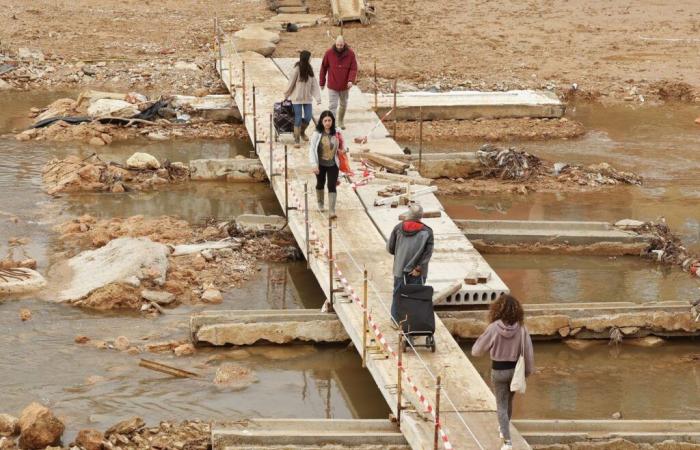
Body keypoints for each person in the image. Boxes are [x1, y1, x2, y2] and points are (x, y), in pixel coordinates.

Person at [471, 294, 535, 450]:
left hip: (498, 371)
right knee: (508, 402)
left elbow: (476, 351)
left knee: (500, 405)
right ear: (517, 311)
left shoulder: (493, 328)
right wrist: (527, 372)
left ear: (497, 309)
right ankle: (503, 427)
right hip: (515, 371)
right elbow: (528, 352)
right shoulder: (522, 329)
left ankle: (507, 442)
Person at [386, 204, 434, 323]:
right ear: (420, 216)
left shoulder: (398, 228)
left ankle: (395, 321)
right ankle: (413, 323)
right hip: (418, 273)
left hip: (399, 269)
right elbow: (427, 254)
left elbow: (390, 248)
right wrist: (418, 268)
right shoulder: (427, 232)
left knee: (397, 294)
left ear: (409, 214)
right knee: (416, 297)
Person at [308, 110, 345, 219]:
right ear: (321, 122)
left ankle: (332, 211)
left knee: (331, 185)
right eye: (325, 121)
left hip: (333, 164)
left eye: (329, 120)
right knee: (320, 183)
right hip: (320, 164)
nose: (328, 123)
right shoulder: (317, 133)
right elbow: (312, 149)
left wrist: (343, 150)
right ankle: (320, 203)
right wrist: (314, 164)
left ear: (332, 121)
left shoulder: (337, 132)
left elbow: (343, 144)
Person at [319, 35, 358, 130]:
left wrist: (350, 80)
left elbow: (353, 68)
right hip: (332, 84)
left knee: (343, 104)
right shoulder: (329, 53)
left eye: (341, 45)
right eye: (337, 45)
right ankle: (332, 124)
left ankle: (340, 121)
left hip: (345, 85)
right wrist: (322, 82)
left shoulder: (351, 54)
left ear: (344, 44)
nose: (339, 47)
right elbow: (323, 68)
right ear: (335, 43)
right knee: (333, 105)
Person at [284, 50, 322, 148]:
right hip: (297, 98)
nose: (311, 58)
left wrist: (318, 98)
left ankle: (302, 132)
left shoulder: (310, 69)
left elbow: (314, 85)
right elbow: (291, 82)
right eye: (310, 57)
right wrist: (286, 94)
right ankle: (296, 139)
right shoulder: (296, 69)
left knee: (308, 116)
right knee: (298, 117)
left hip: (307, 99)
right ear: (306, 58)